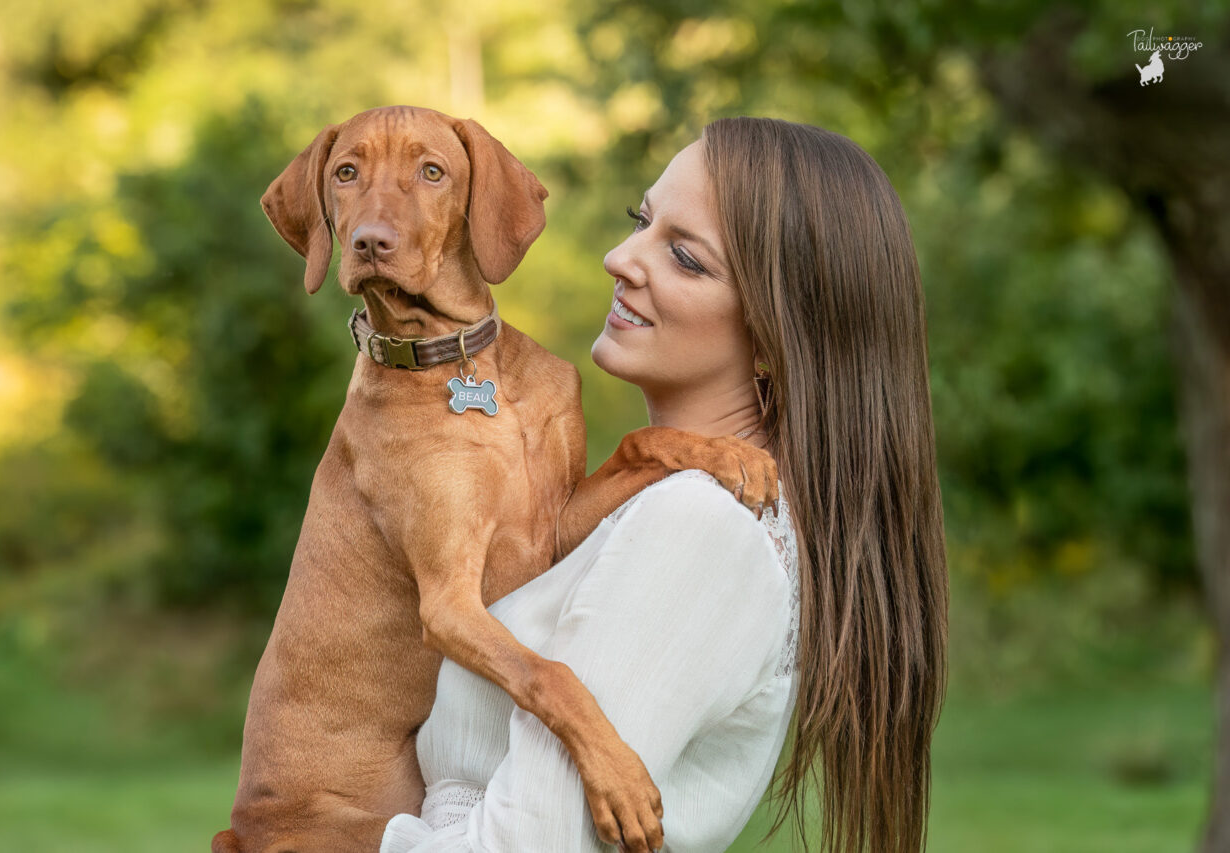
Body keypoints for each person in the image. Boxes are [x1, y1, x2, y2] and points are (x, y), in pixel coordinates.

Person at [380, 116, 949, 853]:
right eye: (640, 221)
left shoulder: (701, 527)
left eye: (684, 257)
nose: (620, 258)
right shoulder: (682, 504)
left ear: (779, 336)